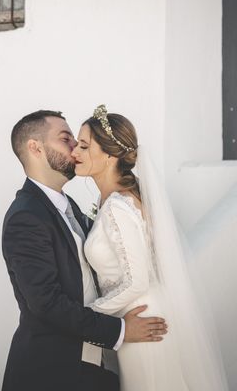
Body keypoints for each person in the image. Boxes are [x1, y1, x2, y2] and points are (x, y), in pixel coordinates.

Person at [1, 110, 168, 391]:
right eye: (66, 139)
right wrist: (121, 330)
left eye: (80, 142)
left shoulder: (71, 208)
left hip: (96, 368)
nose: (75, 148)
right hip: (52, 371)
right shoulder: (26, 217)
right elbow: (46, 303)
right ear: (35, 148)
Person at [71, 105, 228, 391]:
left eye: (83, 145)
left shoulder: (118, 206)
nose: (74, 153)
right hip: (135, 316)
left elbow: (137, 280)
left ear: (109, 154)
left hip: (141, 318)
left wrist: (87, 316)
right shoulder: (118, 201)